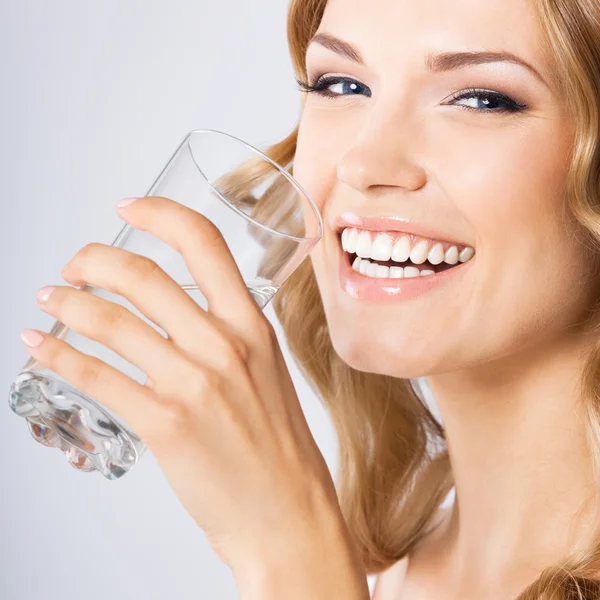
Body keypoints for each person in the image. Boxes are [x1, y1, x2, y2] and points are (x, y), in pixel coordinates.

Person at [19, 0, 600, 598]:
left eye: (481, 98)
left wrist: (288, 552)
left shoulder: (317, 566)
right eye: (342, 84)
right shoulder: (393, 575)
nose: (364, 163)